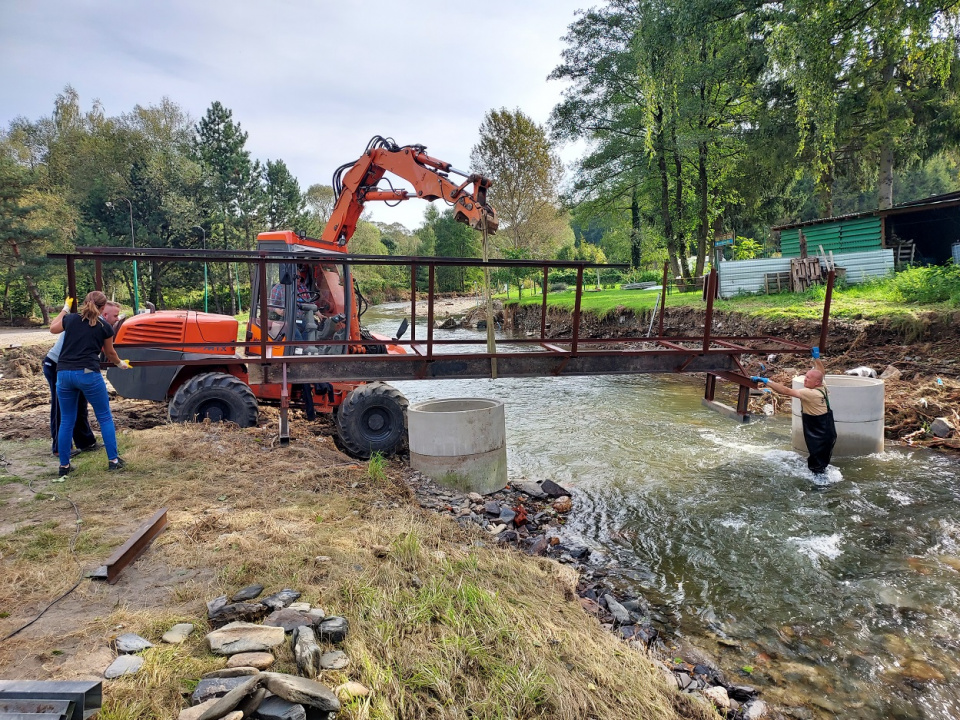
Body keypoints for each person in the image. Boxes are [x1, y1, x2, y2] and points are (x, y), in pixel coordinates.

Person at [50, 292, 131, 477]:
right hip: (87, 373)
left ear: (86, 303)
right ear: (103, 309)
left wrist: (64, 309)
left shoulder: (70, 319)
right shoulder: (105, 327)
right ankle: (114, 460)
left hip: (63, 374)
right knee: (104, 416)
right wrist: (121, 364)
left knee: (67, 420)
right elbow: (110, 353)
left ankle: (64, 466)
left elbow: (53, 329)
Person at [42, 301, 122, 457]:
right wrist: (65, 309)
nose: (118, 319)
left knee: (80, 402)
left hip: (75, 367)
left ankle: (85, 441)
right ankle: (60, 448)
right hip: (57, 364)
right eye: (116, 315)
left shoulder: (97, 323)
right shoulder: (93, 324)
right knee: (61, 408)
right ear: (104, 313)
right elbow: (53, 328)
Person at [752, 347, 837, 474]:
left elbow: (786, 391)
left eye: (808, 378)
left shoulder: (810, 393)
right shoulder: (822, 387)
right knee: (821, 459)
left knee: (817, 465)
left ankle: (820, 486)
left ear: (816, 383)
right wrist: (816, 358)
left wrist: (767, 381)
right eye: (805, 377)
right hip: (828, 430)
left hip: (819, 431)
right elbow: (821, 372)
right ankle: (821, 477)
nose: (805, 379)